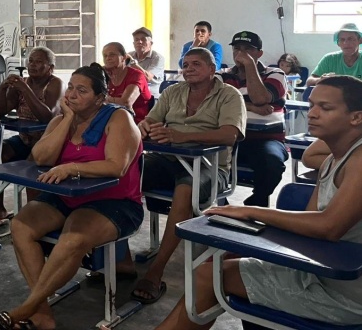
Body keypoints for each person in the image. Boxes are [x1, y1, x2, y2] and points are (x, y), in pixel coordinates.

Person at [152, 75, 362, 330]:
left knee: (209, 277)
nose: (313, 113)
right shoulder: (332, 160)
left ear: (356, 117)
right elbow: (310, 223)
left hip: (346, 292)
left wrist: (250, 212)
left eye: (325, 108)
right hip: (320, 270)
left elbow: (328, 227)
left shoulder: (359, 160)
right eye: (312, 105)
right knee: (208, 272)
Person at [0, 64, 144, 330]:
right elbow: (41, 157)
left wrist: (71, 167)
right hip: (69, 198)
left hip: (116, 202)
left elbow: (116, 166)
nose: (72, 94)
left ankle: (27, 308)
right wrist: (66, 120)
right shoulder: (62, 118)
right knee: (21, 225)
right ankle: (43, 313)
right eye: (70, 87)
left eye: (81, 90)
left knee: (73, 237)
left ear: (99, 98)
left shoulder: (118, 119)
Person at [125, 47, 246, 305]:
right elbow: (151, 122)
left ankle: (156, 272)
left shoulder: (229, 95)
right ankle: (120, 257)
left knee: (185, 191)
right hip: (168, 160)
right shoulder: (172, 92)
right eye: (186, 64)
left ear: (213, 69)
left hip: (209, 166)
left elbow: (229, 135)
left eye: (196, 64)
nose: (188, 69)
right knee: (124, 172)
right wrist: (144, 127)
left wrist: (181, 136)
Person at [0, 46, 64, 224]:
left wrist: (25, 90)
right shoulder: (22, 83)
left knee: (32, 170)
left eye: (39, 62)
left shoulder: (55, 84)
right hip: (25, 139)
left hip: (46, 142)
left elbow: (47, 115)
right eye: (30, 61)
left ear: (50, 67)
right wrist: (2, 88)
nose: (32, 65)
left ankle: (33, 217)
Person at [220, 31, 288, 207]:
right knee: (204, 159)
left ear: (259, 53)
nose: (241, 54)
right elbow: (214, 104)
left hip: (266, 139)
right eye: (237, 49)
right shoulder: (223, 75)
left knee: (272, 163)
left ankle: (256, 202)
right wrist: (250, 107)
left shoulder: (275, 73)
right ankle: (222, 204)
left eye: (248, 49)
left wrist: (250, 65)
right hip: (230, 137)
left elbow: (260, 98)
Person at [102, 42, 152, 123]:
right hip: (111, 119)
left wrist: (105, 99)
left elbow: (126, 102)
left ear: (124, 57)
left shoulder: (137, 75)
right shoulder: (104, 75)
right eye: (105, 56)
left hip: (137, 123)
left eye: (112, 55)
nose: (108, 58)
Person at [128, 27, 165, 96]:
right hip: (131, 92)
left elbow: (147, 77)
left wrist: (134, 64)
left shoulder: (157, 58)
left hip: (151, 96)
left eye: (143, 39)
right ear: (133, 44)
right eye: (136, 40)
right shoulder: (129, 55)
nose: (139, 42)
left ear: (151, 43)